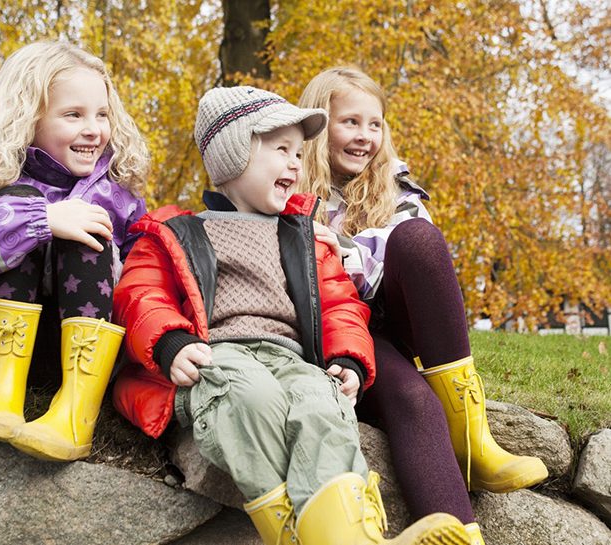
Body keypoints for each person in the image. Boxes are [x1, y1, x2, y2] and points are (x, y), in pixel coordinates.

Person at [112, 85, 470, 545]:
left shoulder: (305, 238)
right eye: (281, 150)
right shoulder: (176, 231)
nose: (296, 164)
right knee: (250, 394)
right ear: (233, 156)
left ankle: (350, 532)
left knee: (322, 406)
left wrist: (350, 360)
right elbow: (140, 294)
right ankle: (291, 531)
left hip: (293, 360)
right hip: (217, 356)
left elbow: (341, 303)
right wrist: (169, 342)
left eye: (299, 153)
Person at [298, 67, 550, 545]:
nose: (365, 137)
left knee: (417, 239)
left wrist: (339, 250)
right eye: (350, 122)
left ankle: (473, 439)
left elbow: (411, 255)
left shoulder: (395, 186)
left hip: (401, 320)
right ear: (318, 124)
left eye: (375, 124)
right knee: (412, 400)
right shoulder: (289, 188)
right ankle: (464, 535)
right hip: (343, 333)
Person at [0, 41, 149, 462]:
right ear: (28, 119)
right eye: (73, 115)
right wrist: (37, 220)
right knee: (19, 205)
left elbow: (143, 275)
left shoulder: (118, 196)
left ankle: (76, 410)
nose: (93, 129)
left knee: (87, 224)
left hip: (80, 354)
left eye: (102, 115)